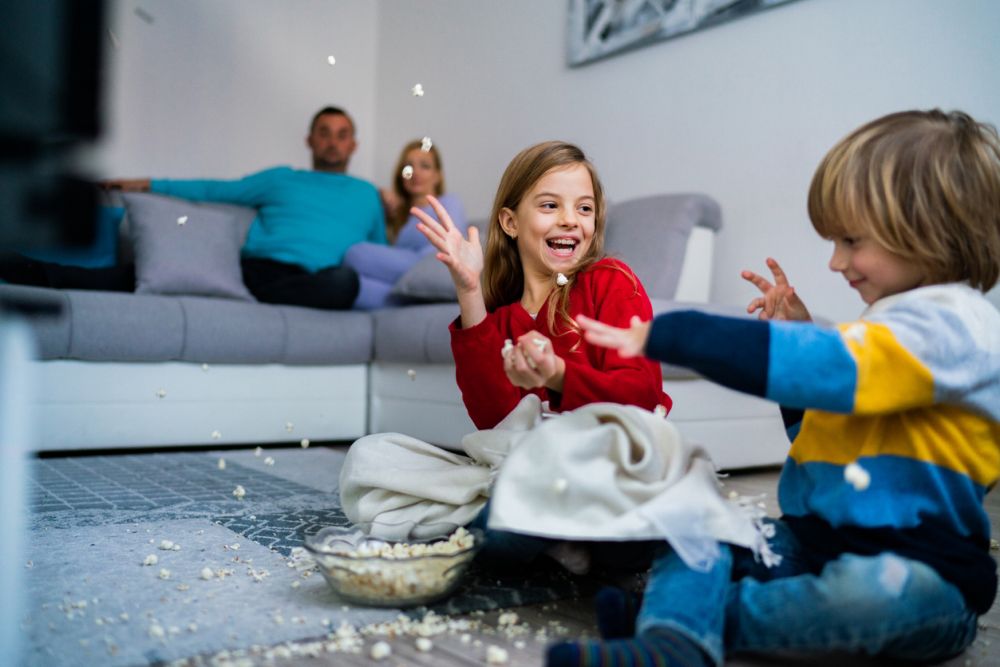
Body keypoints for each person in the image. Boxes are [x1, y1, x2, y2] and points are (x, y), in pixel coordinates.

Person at [569, 109, 1000, 666]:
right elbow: (816, 435)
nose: (836, 261)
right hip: (811, 541)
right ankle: (675, 638)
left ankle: (687, 623)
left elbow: (834, 368)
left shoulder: (958, 327)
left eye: (851, 240)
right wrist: (799, 335)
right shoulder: (882, 331)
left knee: (871, 598)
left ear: (929, 230)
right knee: (697, 529)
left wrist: (676, 333)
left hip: (922, 572)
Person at [413, 140, 672, 573]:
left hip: (611, 464)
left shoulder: (612, 282)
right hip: (532, 469)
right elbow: (493, 422)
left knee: (515, 521)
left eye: (584, 208)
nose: (571, 220)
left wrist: (559, 376)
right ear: (511, 222)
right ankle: (560, 543)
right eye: (550, 205)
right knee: (371, 457)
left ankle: (533, 541)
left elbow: (641, 395)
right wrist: (469, 291)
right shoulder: (504, 316)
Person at [0, 106, 384, 310]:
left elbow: (379, 258)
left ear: (353, 145)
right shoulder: (282, 179)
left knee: (345, 282)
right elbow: (215, 190)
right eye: (324, 133)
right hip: (255, 273)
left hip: (318, 284)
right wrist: (146, 184)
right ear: (310, 140)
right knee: (143, 275)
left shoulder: (368, 196)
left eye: (342, 135)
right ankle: (31, 269)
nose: (333, 142)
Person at [343, 138, 467, 309]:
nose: (415, 173)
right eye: (408, 167)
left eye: (425, 166)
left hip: (432, 266)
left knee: (355, 253)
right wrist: (378, 198)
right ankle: (408, 298)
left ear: (437, 175)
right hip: (405, 279)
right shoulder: (400, 216)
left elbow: (451, 247)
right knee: (352, 284)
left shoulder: (449, 203)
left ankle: (413, 292)